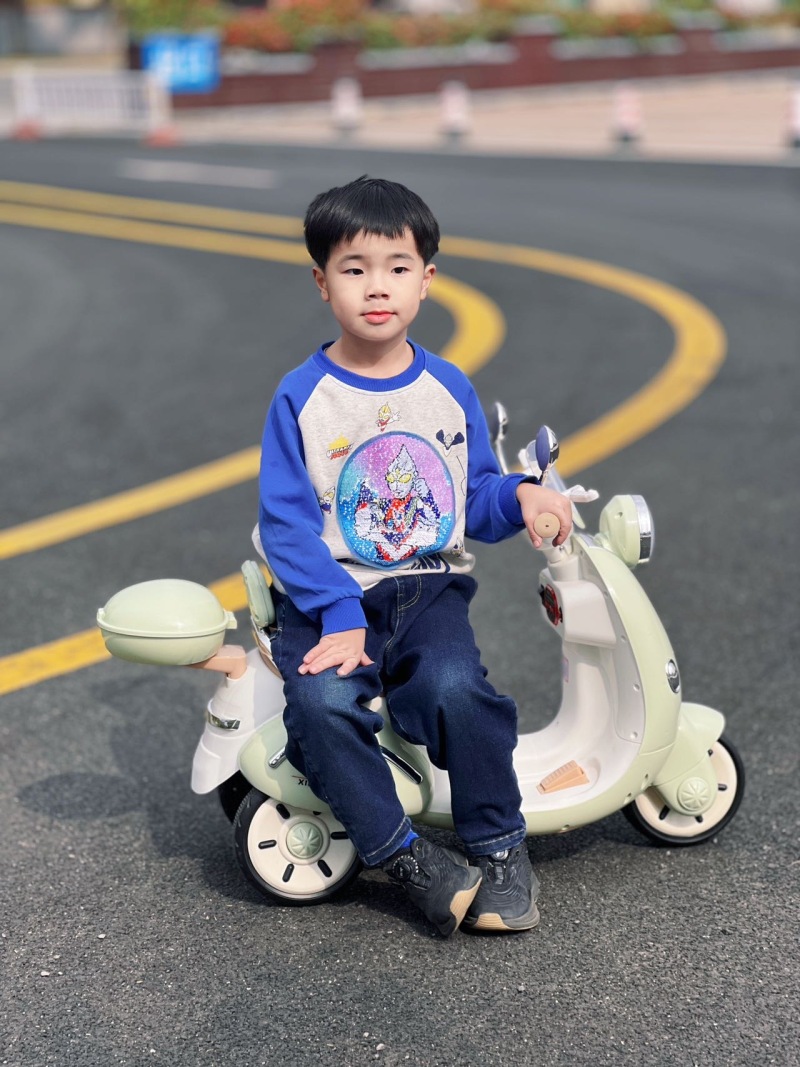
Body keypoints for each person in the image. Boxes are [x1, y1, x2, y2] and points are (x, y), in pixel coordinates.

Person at [256, 175, 572, 936]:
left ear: (426, 280)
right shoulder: (301, 397)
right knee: (322, 706)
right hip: (327, 599)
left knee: (457, 688)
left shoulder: (447, 387)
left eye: (397, 268)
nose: (377, 287)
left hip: (426, 592)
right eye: (354, 268)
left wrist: (523, 495)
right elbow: (286, 527)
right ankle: (403, 856)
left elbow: (472, 497)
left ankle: (498, 843)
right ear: (322, 282)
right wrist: (338, 612)